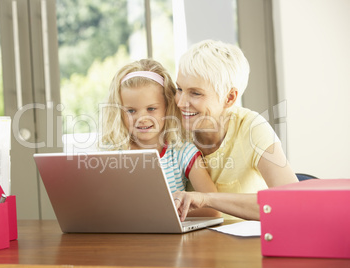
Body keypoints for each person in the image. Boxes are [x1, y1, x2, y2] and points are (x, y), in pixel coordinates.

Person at [172, 40, 298, 221]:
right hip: (194, 245)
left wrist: (207, 199)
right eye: (179, 89)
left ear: (229, 98)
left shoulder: (252, 128)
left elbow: (292, 202)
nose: (180, 102)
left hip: (245, 246)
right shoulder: (175, 131)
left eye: (196, 93)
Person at [100, 59, 218, 203]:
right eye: (131, 111)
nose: (142, 118)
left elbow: (214, 206)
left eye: (151, 109)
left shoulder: (182, 152)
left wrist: (169, 211)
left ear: (167, 107)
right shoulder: (110, 152)